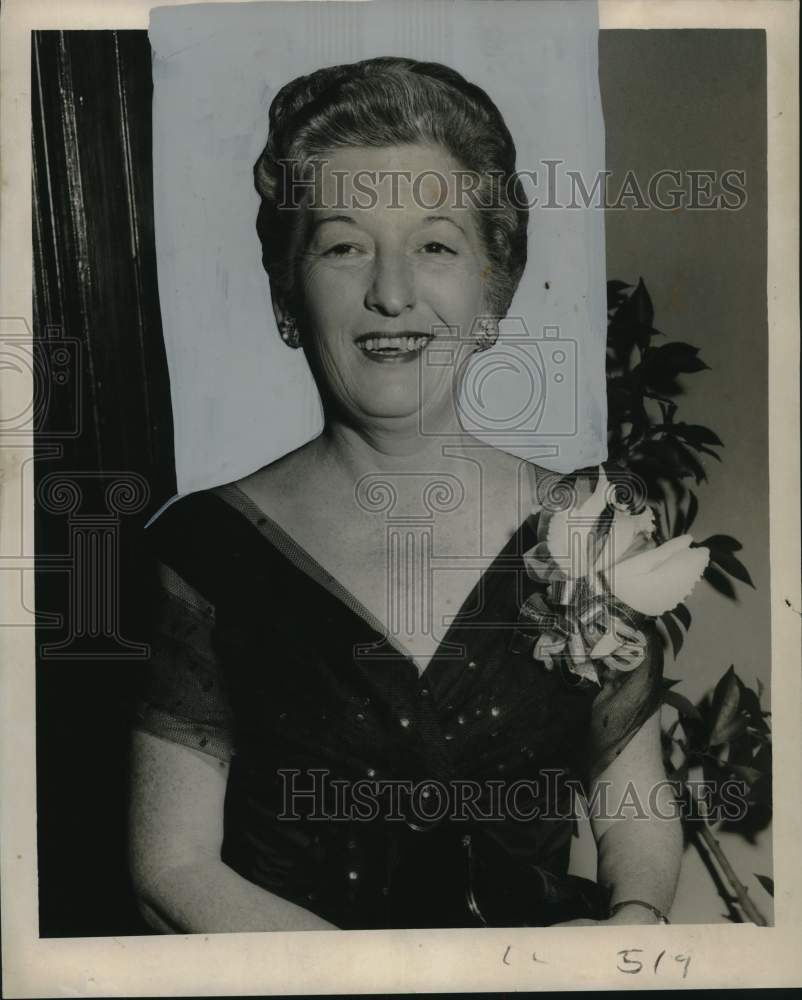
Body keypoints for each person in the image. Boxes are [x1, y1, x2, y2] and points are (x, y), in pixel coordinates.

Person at [128, 57, 682, 932]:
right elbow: (170, 864)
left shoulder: (591, 525)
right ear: (287, 290)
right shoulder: (203, 552)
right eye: (344, 246)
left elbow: (632, 806)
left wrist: (633, 927)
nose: (390, 294)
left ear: (491, 292)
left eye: (434, 245)